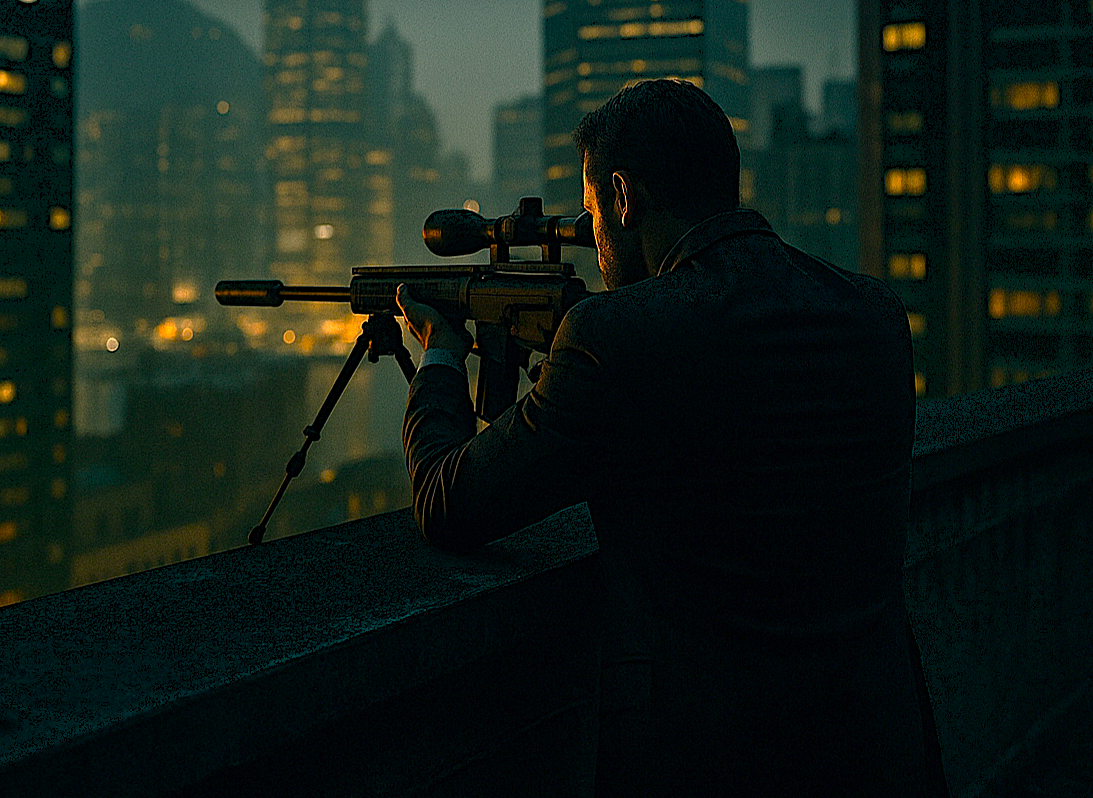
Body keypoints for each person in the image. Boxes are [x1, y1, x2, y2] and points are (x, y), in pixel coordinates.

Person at [395, 78, 946, 795]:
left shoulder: (614, 336)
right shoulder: (873, 313)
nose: (590, 237)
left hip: (709, 759)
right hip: (878, 745)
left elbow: (449, 501)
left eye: (591, 212)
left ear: (623, 197)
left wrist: (439, 354)